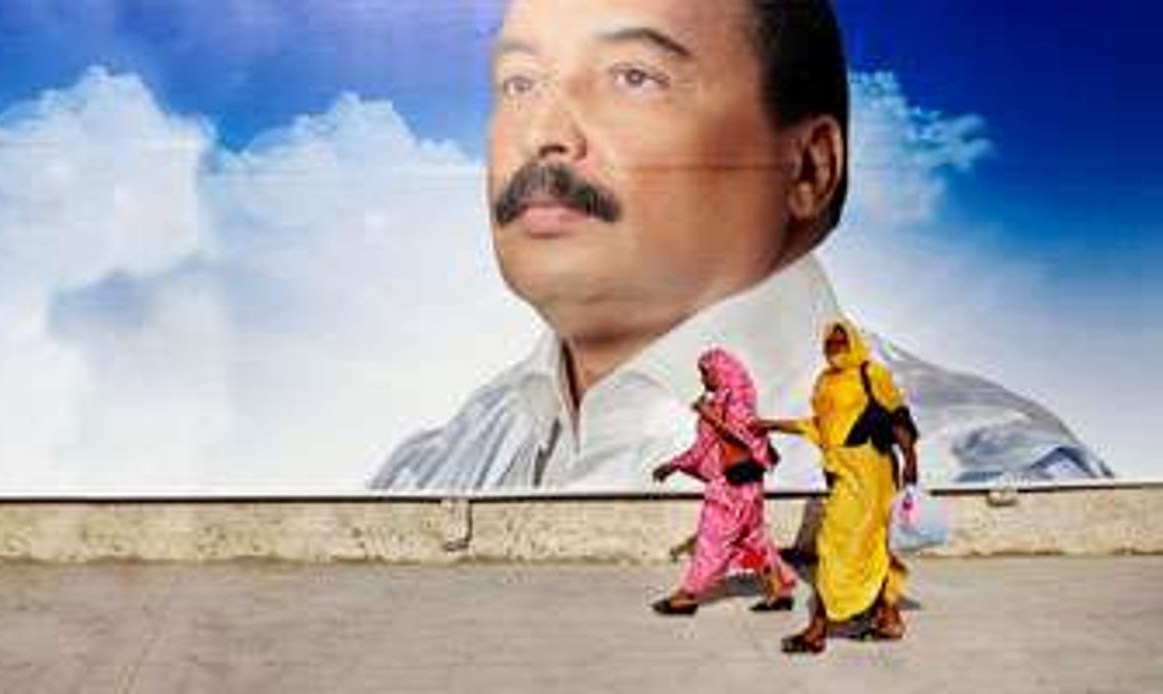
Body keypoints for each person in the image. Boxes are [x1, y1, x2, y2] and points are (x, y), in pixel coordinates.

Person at [370, 0, 1109, 492]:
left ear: (809, 167)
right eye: (519, 82)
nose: (541, 135)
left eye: (633, 77)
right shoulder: (429, 477)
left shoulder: (984, 477)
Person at [757, 320, 915, 654]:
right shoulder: (826, 381)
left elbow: (898, 416)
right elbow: (819, 426)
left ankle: (818, 629)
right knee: (872, 545)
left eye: (842, 342)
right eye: (831, 343)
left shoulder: (871, 373)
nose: (836, 348)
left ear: (853, 342)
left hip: (872, 471)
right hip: (842, 472)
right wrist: (771, 425)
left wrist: (911, 459)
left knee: (833, 544)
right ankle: (889, 618)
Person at [650, 348, 796, 615]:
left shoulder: (736, 402)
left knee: (711, 539)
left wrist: (707, 414)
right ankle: (779, 589)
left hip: (733, 486)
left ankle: (688, 595)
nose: (703, 380)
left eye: (705, 373)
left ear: (720, 371)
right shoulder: (720, 401)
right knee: (752, 540)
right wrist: (674, 464)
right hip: (740, 484)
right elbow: (705, 445)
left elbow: (742, 438)